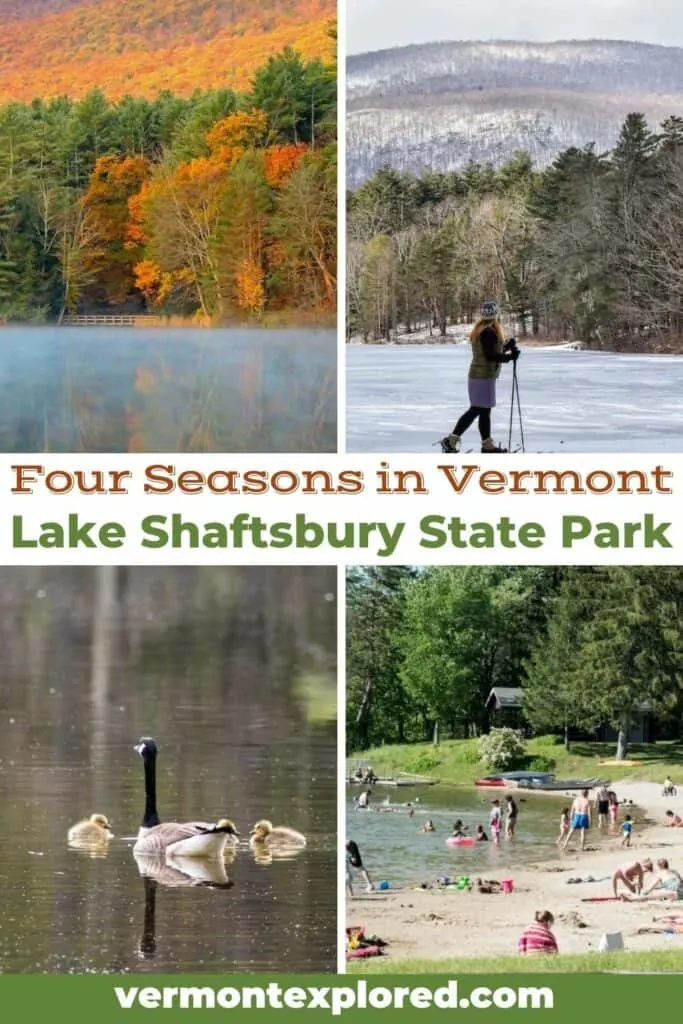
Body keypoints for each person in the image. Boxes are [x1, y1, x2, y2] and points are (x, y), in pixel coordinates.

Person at [440, 301, 519, 455]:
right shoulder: (488, 331)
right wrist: (509, 357)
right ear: (495, 315)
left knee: (483, 410)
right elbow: (490, 356)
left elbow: (490, 351)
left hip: (481, 376)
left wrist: (506, 347)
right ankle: (452, 440)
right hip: (482, 376)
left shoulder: (482, 329)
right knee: (477, 409)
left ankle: (486, 444)